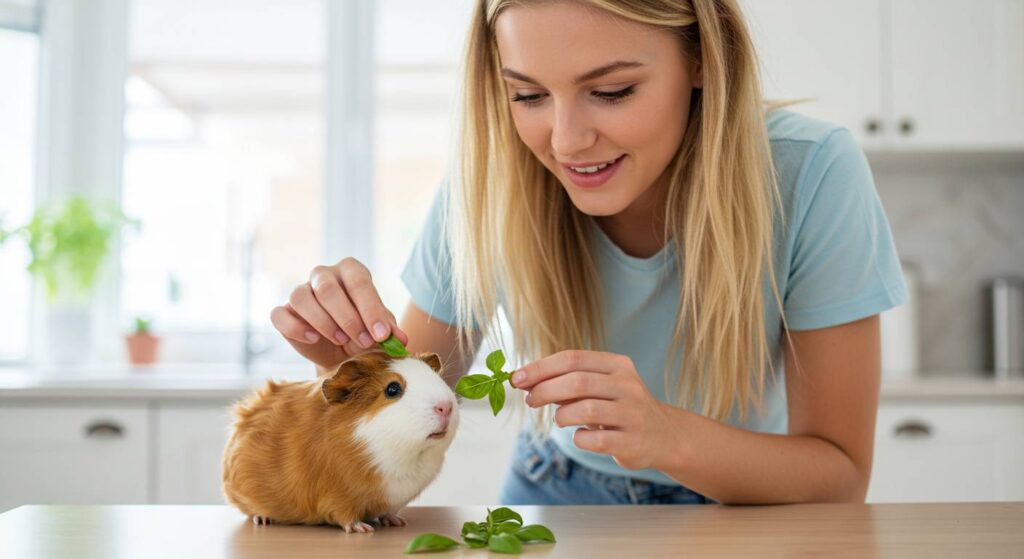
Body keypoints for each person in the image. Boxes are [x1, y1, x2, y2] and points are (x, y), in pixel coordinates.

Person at [271, 0, 907, 506]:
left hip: (745, 502)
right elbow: (418, 382)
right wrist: (345, 357)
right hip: (554, 487)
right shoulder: (492, 178)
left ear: (704, 57)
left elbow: (840, 474)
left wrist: (668, 435)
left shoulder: (812, 172)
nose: (567, 141)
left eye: (612, 91)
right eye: (527, 95)